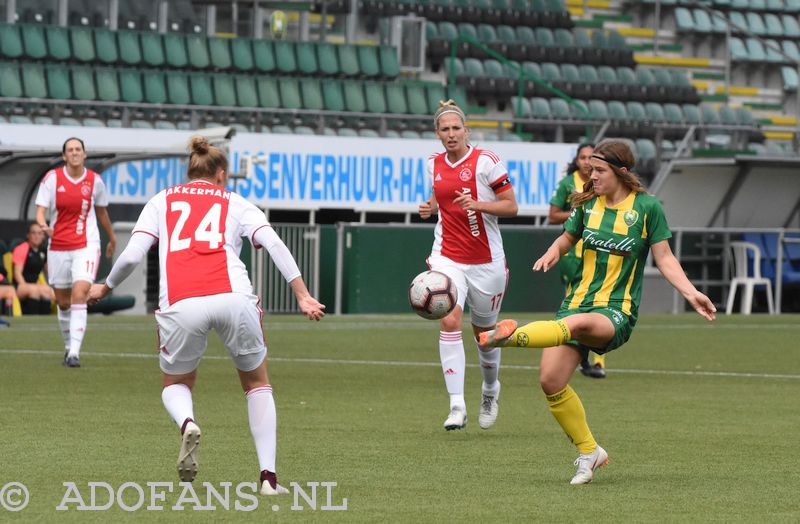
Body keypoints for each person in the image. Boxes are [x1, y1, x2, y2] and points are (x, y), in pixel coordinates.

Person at [88, 136, 325, 496]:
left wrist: (105, 287)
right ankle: (268, 479)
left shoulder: (161, 200)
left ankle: (187, 423)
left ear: (190, 171)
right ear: (222, 175)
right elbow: (275, 244)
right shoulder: (236, 202)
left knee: (176, 384)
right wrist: (302, 295)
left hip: (182, 303)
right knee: (257, 383)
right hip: (234, 297)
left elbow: (133, 255)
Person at [479, 139, 716, 484]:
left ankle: (508, 338)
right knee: (550, 381)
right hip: (576, 300)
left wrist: (691, 292)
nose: (591, 176)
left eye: (599, 170)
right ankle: (589, 452)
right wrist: (553, 250)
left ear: (621, 172)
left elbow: (664, 258)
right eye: (589, 169)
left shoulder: (648, 208)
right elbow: (567, 237)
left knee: (576, 325)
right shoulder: (588, 204)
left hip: (616, 310)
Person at [419, 100, 518, 431]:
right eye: (444, 129)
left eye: (456, 128)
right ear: (437, 133)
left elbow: (512, 207)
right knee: (449, 318)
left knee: (485, 336)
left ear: (466, 131)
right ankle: (456, 405)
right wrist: (430, 207)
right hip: (447, 255)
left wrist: (476, 204)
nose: (450, 134)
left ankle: (490, 389)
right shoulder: (432, 163)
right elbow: (439, 196)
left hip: (487, 262)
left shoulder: (487, 162)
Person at [35, 137, 116, 367]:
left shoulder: (95, 181)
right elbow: (40, 211)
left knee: (79, 292)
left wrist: (111, 237)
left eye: (78, 149)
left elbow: (101, 213)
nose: (74, 153)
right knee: (62, 302)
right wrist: (43, 225)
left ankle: (74, 354)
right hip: (58, 245)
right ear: (64, 156)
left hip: (86, 244)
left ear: (85, 153)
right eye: (70, 150)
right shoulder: (52, 180)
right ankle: (68, 346)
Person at [549, 143, 607, 379]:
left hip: (600, 253)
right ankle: (580, 357)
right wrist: (579, 212)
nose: (586, 162)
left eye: (590, 158)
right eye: (582, 157)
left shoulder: (606, 185)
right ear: (577, 160)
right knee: (576, 304)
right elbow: (553, 215)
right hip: (574, 255)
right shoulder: (568, 184)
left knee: (602, 302)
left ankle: (598, 361)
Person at [12, 222, 56, 315]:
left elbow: (51, 272)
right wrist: (25, 286)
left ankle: (45, 321)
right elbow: (17, 273)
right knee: (34, 290)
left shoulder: (43, 251)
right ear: (28, 235)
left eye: (40, 233)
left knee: (47, 291)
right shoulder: (22, 248)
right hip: (19, 286)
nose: (37, 236)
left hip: (35, 286)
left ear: (43, 236)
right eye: (34, 233)